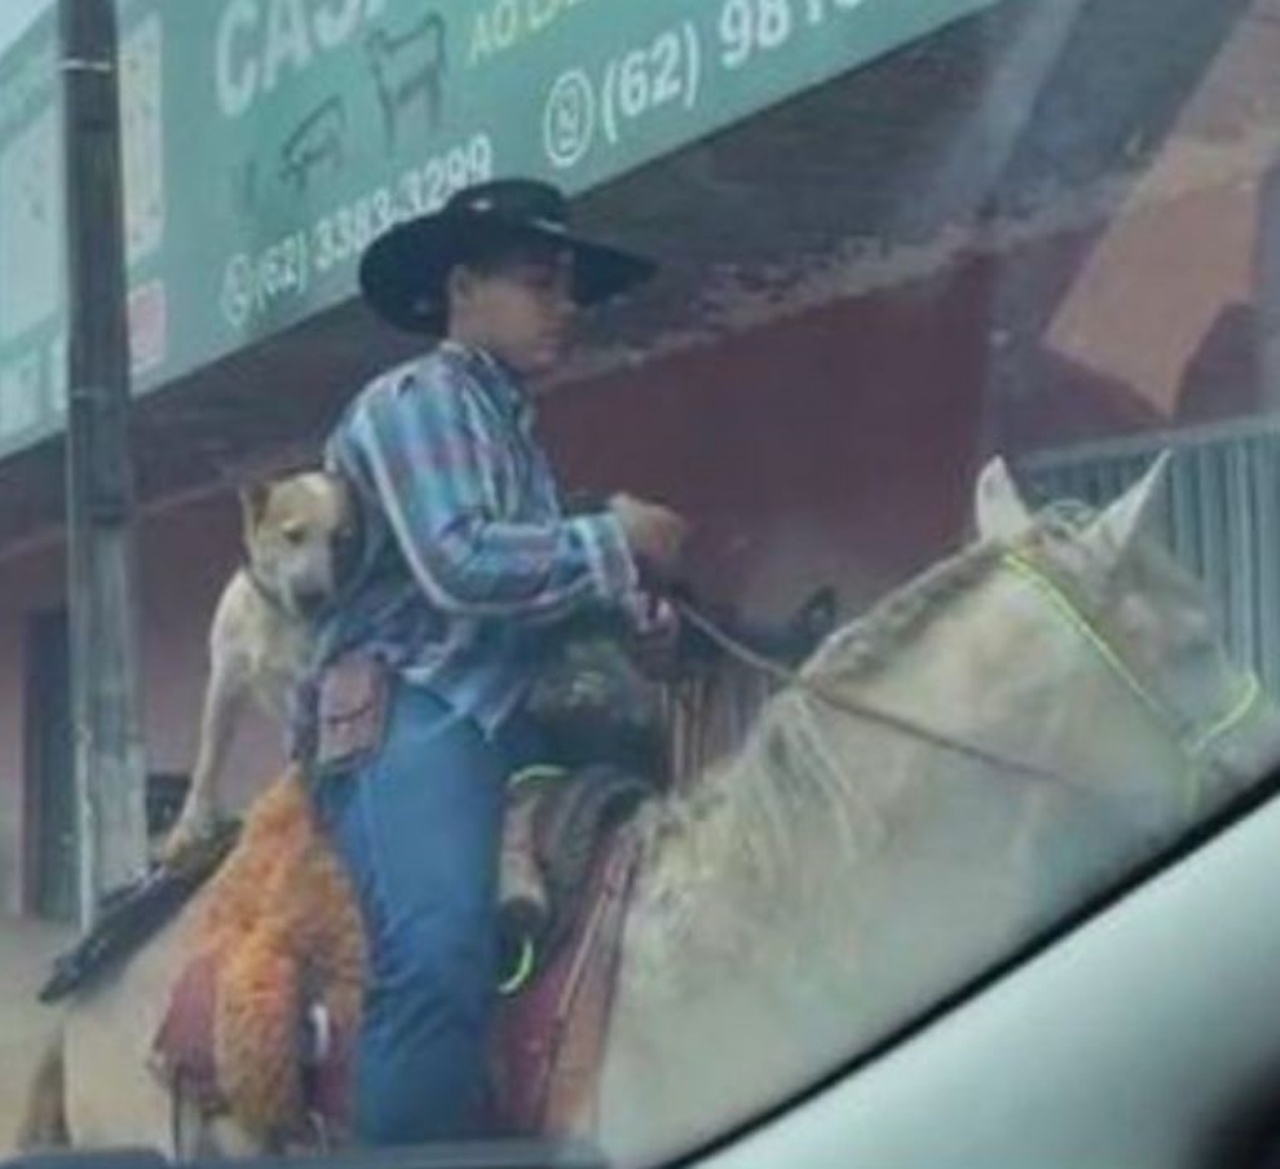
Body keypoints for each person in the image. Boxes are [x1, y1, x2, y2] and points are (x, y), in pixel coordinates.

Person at [298, 178, 687, 1145]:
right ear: (465, 287)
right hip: (417, 708)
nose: (565, 305)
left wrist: (634, 616)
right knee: (435, 953)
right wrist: (616, 537)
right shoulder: (417, 398)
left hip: (520, 721)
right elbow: (459, 562)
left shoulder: (514, 435)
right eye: (539, 281)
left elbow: (535, 592)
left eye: (568, 288)